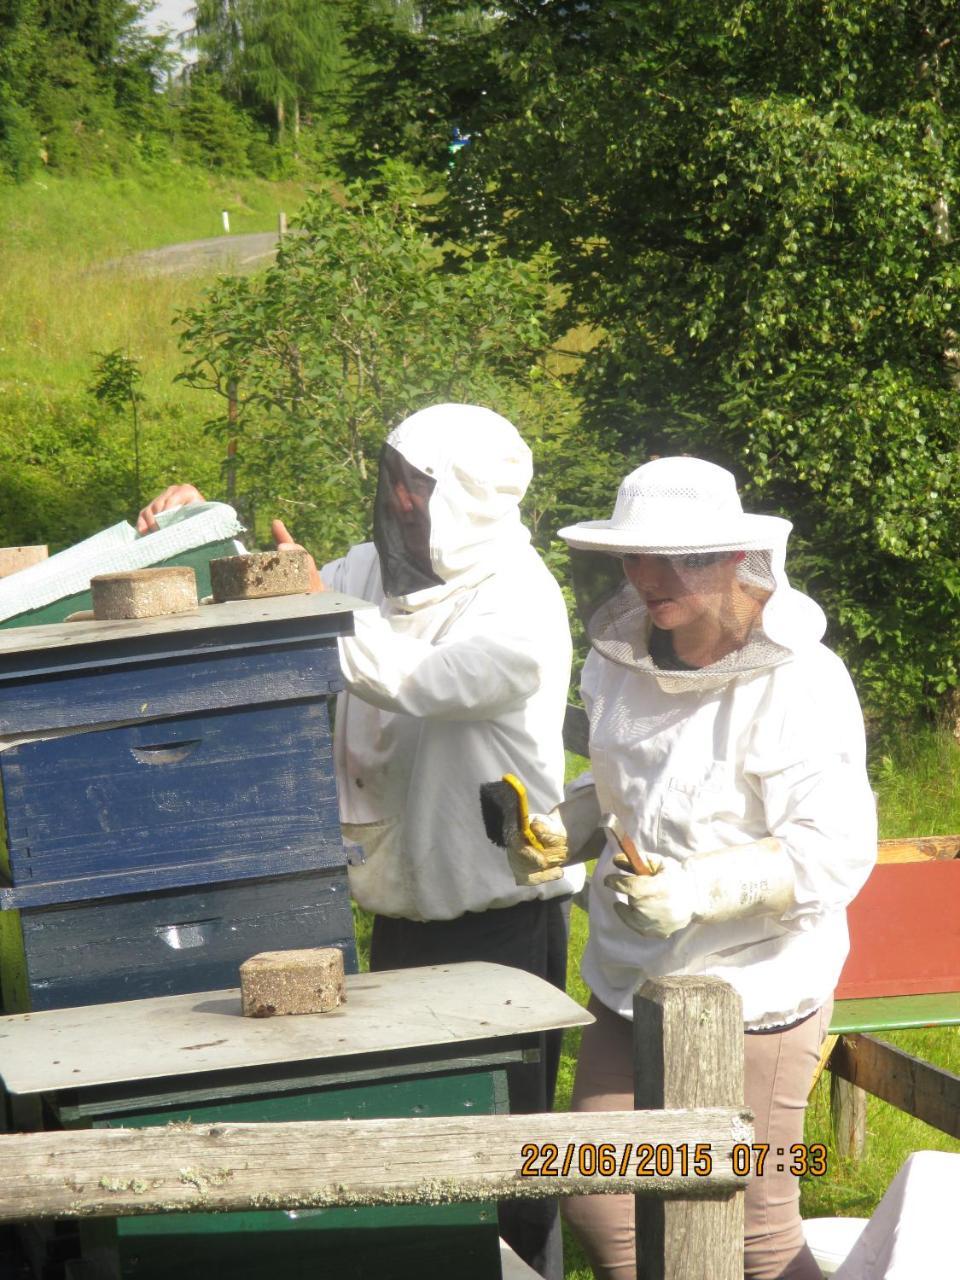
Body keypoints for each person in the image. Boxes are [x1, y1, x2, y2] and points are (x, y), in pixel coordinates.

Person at [137, 403, 584, 1280]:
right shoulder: (373, 575)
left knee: (511, 1158)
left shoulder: (520, 603)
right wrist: (196, 535)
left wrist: (313, 604)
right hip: (401, 913)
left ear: (465, 500)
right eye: (392, 479)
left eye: (414, 487)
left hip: (501, 925)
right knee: (425, 1143)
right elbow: (279, 585)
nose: (394, 500)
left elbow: (417, 677)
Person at [506, 456, 877, 1280]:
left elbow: (835, 849)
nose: (651, 578)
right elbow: (625, 782)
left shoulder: (803, 682)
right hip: (632, 976)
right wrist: (567, 827)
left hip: (759, 984)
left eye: (683, 558)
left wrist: (699, 891)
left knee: (753, 1225)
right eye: (637, 558)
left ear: (737, 560)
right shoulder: (620, 658)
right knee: (604, 1205)